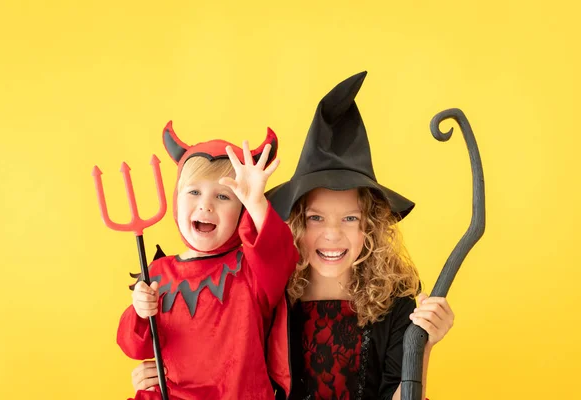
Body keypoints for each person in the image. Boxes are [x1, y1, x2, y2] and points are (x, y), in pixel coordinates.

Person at [130, 72, 455, 400]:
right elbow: (215, 349)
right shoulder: (268, 289)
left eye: (349, 218)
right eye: (316, 218)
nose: (332, 234)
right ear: (296, 223)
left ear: (369, 227)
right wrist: (166, 371)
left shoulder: (395, 304)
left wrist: (420, 345)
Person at [117, 122, 299, 400]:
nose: (205, 205)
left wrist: (256, 203)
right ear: (176, 201)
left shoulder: (250, 268)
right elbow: (134, 347)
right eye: (193, 192)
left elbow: (280, 256)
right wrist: (140, 313)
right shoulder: (158, 273)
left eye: (223, 196)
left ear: (241, 213)